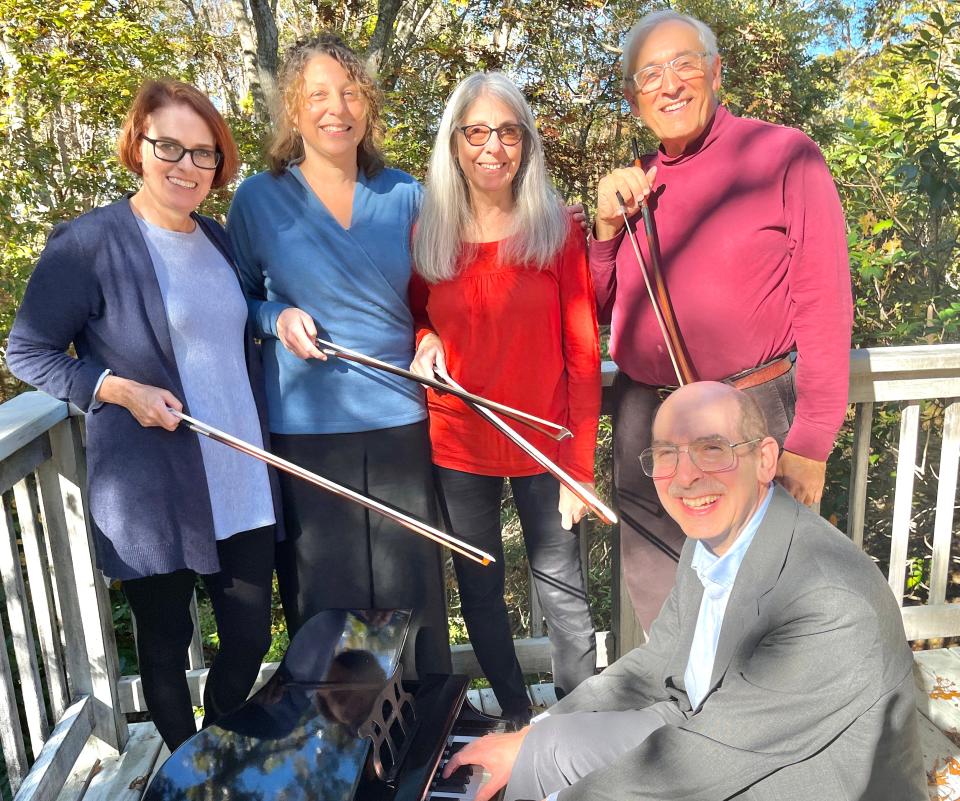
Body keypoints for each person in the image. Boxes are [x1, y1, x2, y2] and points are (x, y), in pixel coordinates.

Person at [443, 381, 926, 801]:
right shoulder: (713, 537)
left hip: (795, 777)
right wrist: (531, 737)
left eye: (712, 449)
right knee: (539, 753)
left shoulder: (828, 601)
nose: (686, 476)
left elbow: (700, 763)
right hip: (701, 727)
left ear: (764, 459)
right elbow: (654, 665)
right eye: (667, 455)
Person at [5, 80, 279, 751]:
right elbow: (28, 350)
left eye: (204, 153)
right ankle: (184, 761)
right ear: (139, 145)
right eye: (170, 147)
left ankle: (213, 747)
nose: (186, 166)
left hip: (240, 477)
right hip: (153, 487)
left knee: (250, 635)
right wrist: (115, 389)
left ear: (220, 164)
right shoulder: (90, 243)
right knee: (164, 641)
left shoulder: (217, 240)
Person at [591, 9, 854, 630]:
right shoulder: (637, 186)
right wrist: (605, 228)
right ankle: (684, 711)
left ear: (715, 72)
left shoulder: (784, 155)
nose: (670, 84)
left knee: (760, 596)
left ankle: (759, 724)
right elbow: (603, 309)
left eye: (685, 64)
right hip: (645, 415)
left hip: (751, 409)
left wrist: (812, 439)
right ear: (633, 98)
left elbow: (824, 301)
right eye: (650, 73)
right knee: (660, 586)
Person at [226, 33, 450, 676]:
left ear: (368, 107)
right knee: (325, 593)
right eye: (318, 94)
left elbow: (436, 296)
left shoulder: (405, 193)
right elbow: (237, 296)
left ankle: (425, 738)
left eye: (351, 92)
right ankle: (333, 749)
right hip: (304, 427)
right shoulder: (258, 200)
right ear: (293, 111)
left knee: (411, 580)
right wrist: (275, 315)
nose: (336, 107)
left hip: (397, 418)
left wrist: (430, 336)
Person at [409, 72, 600, 724]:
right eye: (478, 131)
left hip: (542, 440)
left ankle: (577, 722)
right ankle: (517, 716)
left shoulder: (558, 227)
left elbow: (583, 353)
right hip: (457, 439)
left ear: (526, 142)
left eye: (509, 131)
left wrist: (579, 467)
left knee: (563, 588)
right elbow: (413, 311)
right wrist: (426, 335)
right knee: (480, 587)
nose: (494, 146)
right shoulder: (430, 230)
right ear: (456, 142)